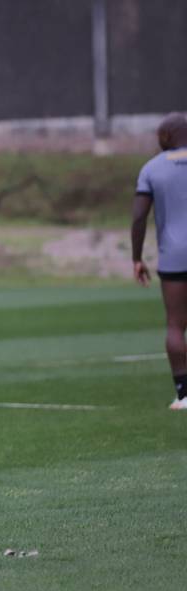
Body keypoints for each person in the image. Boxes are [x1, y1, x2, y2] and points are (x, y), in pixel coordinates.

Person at [131, 112, 187, 410]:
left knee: (176, 325)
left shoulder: (152, 168)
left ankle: (185, 394)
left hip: (175, 255)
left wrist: (136, 257)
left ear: (165, 137)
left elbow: (139, 217)